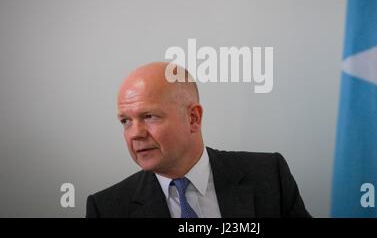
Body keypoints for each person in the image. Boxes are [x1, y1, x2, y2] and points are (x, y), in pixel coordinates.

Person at [86, 62, 311, 218]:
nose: (135, 133)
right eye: (125, 121)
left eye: (149, 116)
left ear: (193, 118)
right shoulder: (107, 208)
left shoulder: (269, 175)